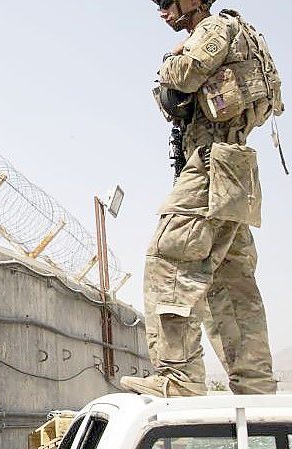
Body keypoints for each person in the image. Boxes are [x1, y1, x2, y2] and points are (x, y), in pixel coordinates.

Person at [119, 0, 284, 397]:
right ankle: (256, 385)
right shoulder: (238, 30)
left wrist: (167, 60)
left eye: (166, 2)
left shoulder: (212, 28)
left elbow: (186, 73)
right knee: (232, 284)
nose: (161, 11)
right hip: (237, 171)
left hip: (212, 164)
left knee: (169, 260)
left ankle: (178, 378)